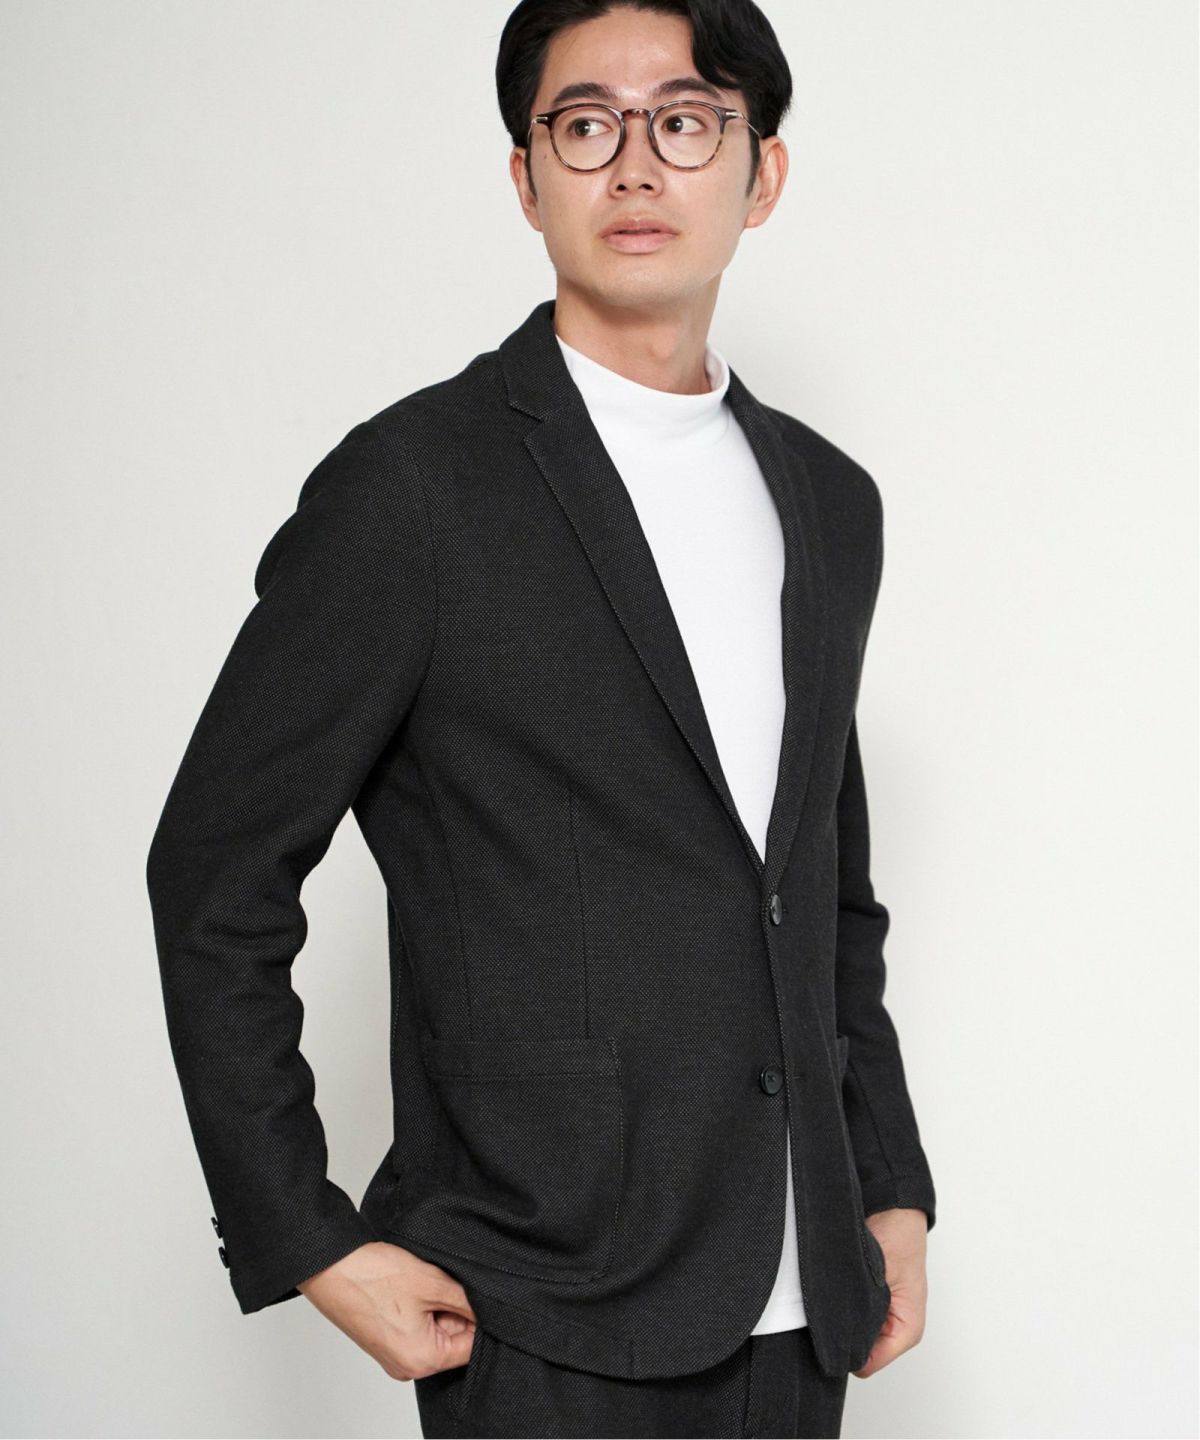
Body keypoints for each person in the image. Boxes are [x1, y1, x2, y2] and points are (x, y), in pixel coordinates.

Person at [145, 1, 937, 1435]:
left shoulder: (831, 501)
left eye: (684, 121)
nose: (635, 165)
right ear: (526, 177)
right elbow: (214, 873)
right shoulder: (415, 490)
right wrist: (308, 1237)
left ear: (760, 172)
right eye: (586, 125)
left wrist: (888, 1186)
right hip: (539, 1308)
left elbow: (823, 890)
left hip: (804, 1304)